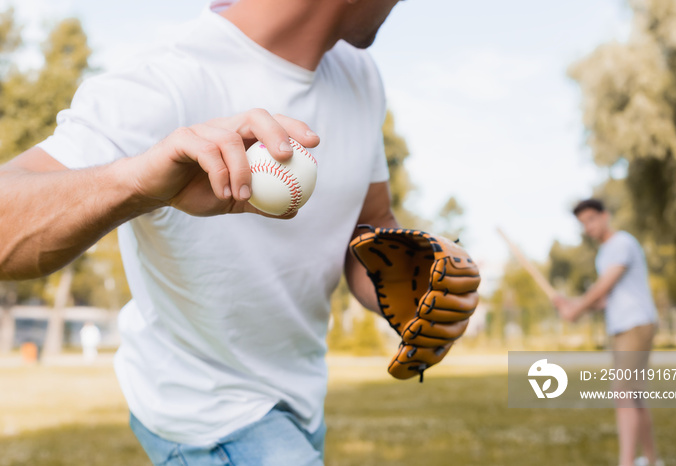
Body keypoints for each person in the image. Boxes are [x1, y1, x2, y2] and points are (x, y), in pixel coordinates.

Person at [0, 0, 408, 464]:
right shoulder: (166, 79)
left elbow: (368, 232)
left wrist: (415, 284)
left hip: (300, 400)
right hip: (204, 409)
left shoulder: (360, 77)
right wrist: (138, 183)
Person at [553, 198, 661, 466]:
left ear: (605, 215)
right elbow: (603, 300)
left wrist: (576, 310)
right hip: (621, 326)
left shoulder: (621, 243)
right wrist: (571, 304)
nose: (588, 227)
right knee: (634, 396)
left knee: (623, 392)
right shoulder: (603, 254)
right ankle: (651, 460)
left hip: (636, 324)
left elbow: (603, 287)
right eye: (582, 223)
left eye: (591, 219)